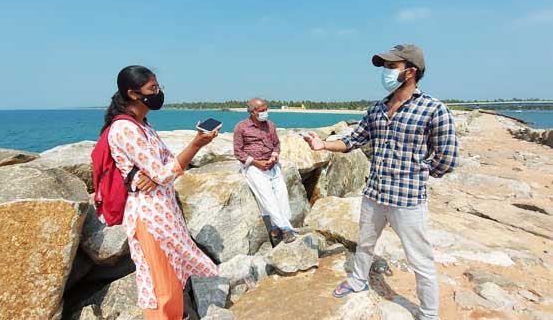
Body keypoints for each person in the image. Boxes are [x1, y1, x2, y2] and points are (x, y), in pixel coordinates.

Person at [303, 44, 458, 320]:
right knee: (365, 243)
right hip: (374, 194)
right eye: (384, 67)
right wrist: (322, 144)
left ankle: (428, 314)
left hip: (407, 201)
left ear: (410, 72)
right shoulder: (377, 109)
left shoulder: (434, 109)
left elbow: (446, 159)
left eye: (391, 67)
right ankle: (358, 280)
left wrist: (417, 174)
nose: (385, 72)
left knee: (420, 260)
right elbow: (353, 140)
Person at [103, 65, 220, 320]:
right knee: (159, 285)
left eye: (158, 88)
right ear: (133, 94)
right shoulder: (125, 129)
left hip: (164, 212)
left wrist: (156, 176)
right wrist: (196, 144)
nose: (158, 93)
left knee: (171, 278)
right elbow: (164, 173)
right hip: (149, 216)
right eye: (152, 89)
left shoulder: (143, 124)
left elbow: (165, 164)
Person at [233, 98, 296, 244]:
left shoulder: (271, 125)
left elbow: (276, 145)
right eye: (261, 110)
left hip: (271, 164)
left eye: (266, 109)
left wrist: (273, 157)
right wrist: (256, 163)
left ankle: (275, 226)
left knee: (282, 194)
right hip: (253, 166)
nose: (265, 113)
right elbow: (238, 152)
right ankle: (285, 228)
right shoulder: (241, 127)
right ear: (252, 112)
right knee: (267, 195)